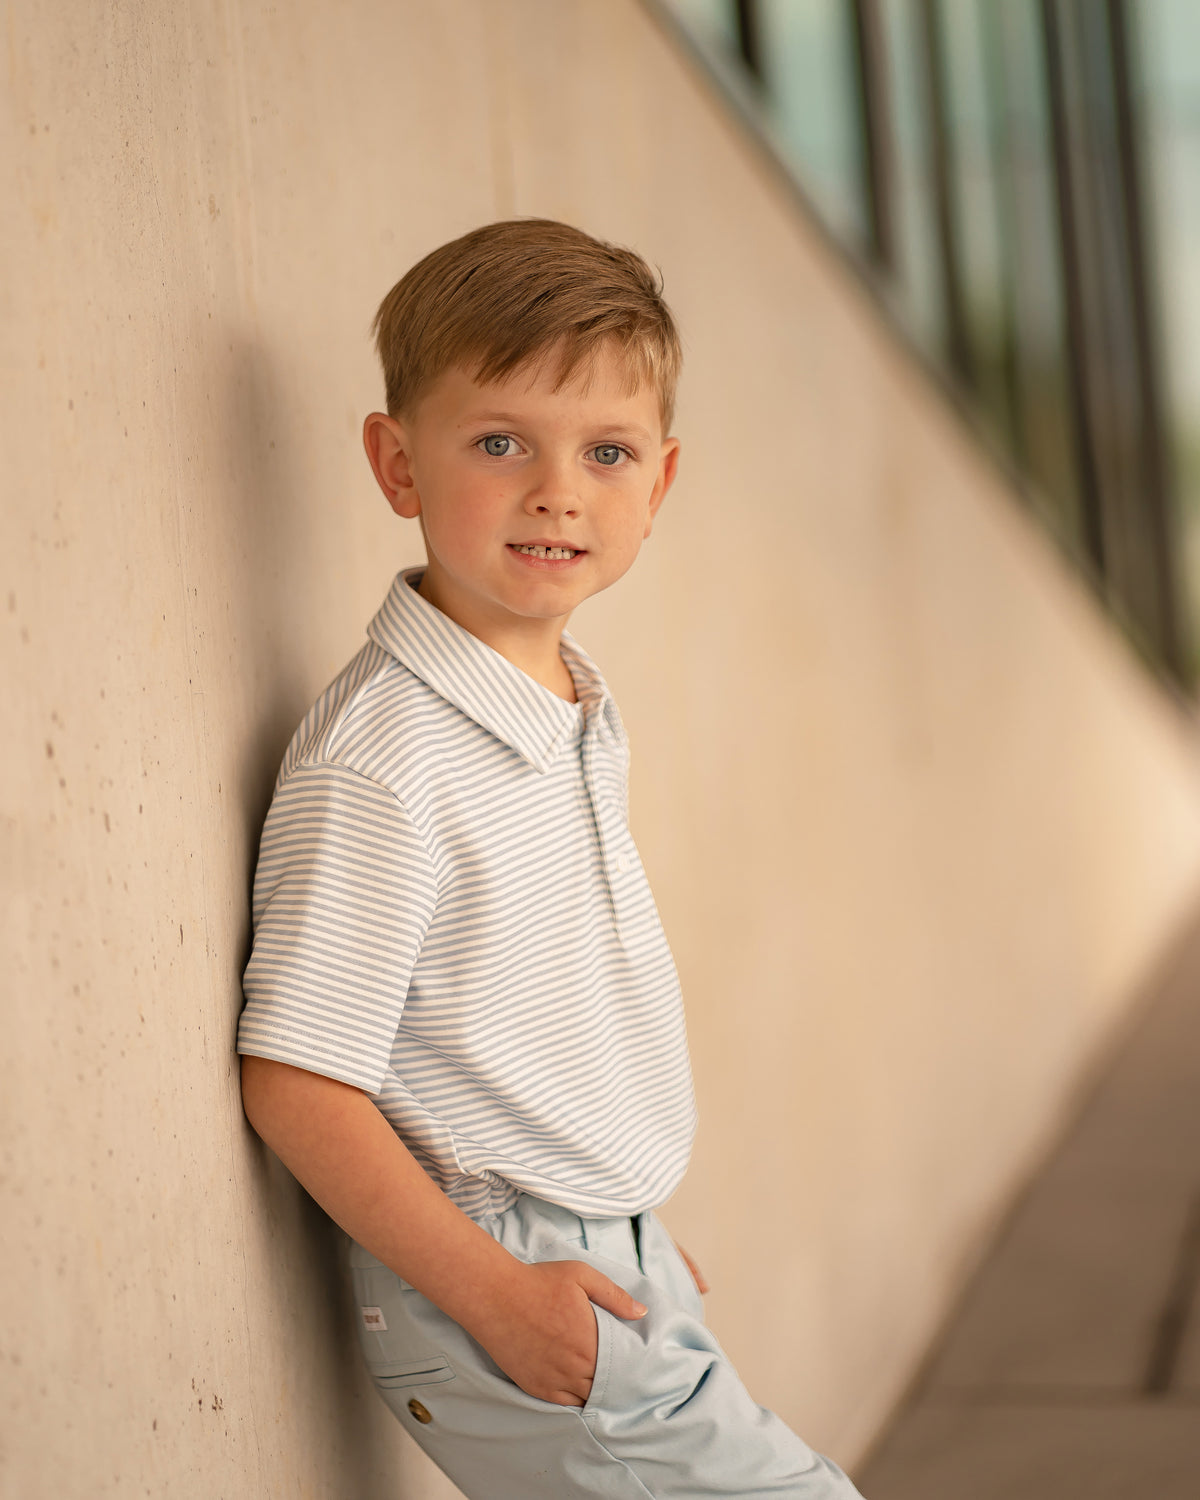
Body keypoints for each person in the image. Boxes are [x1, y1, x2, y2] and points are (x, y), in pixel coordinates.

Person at [237, 218, 865, 1498]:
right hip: (498, 1281)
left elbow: (513, 1019)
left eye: (608, 451)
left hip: (603, 1267)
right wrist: (511, 1294)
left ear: (661, 485)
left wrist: (627, 1223)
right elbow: (297, 1083)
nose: (558, 489)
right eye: (500, 441)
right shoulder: (387, 758)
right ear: (396, 461)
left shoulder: (564, 702)